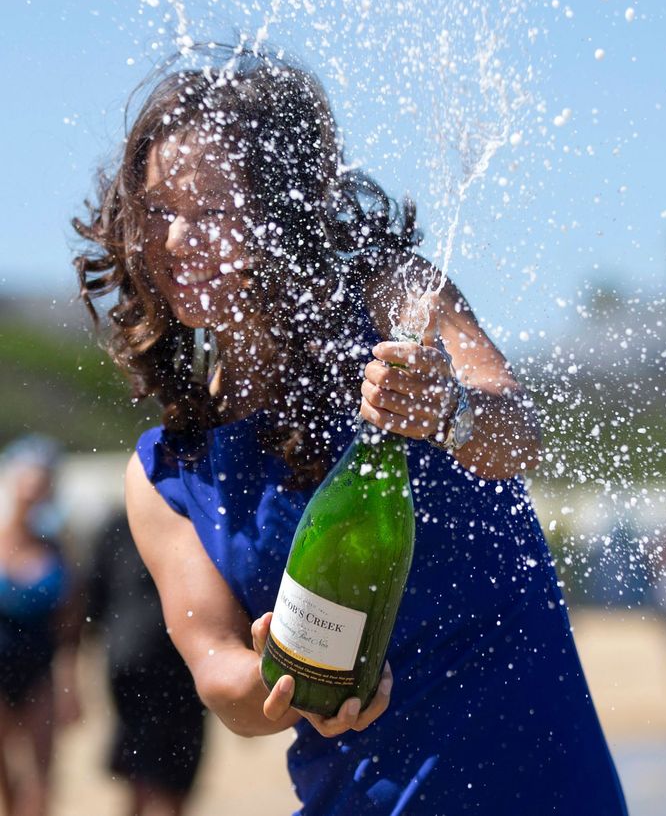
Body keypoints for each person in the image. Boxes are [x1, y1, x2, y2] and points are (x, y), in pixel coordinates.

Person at [73, 46, 629, 815]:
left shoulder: (395, 302)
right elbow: (221, 680)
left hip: (537, 780)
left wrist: (446, 414)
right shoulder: (168, 474)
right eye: (159, 210)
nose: (175, 243)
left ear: (280, 208)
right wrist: (282, 675)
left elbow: (521, 435)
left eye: (213, 212)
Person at [86, 506, 205, 816]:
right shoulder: (116, 525)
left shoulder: (196, 518)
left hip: (188, 673)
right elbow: (93, 599)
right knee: (142, 778)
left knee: (176, 781)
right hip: (134, 675)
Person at [0, 435, 81, 816]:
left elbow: (69, 625)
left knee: (42, 779)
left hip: (40, 672)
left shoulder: (58, 549)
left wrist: (70, 684)